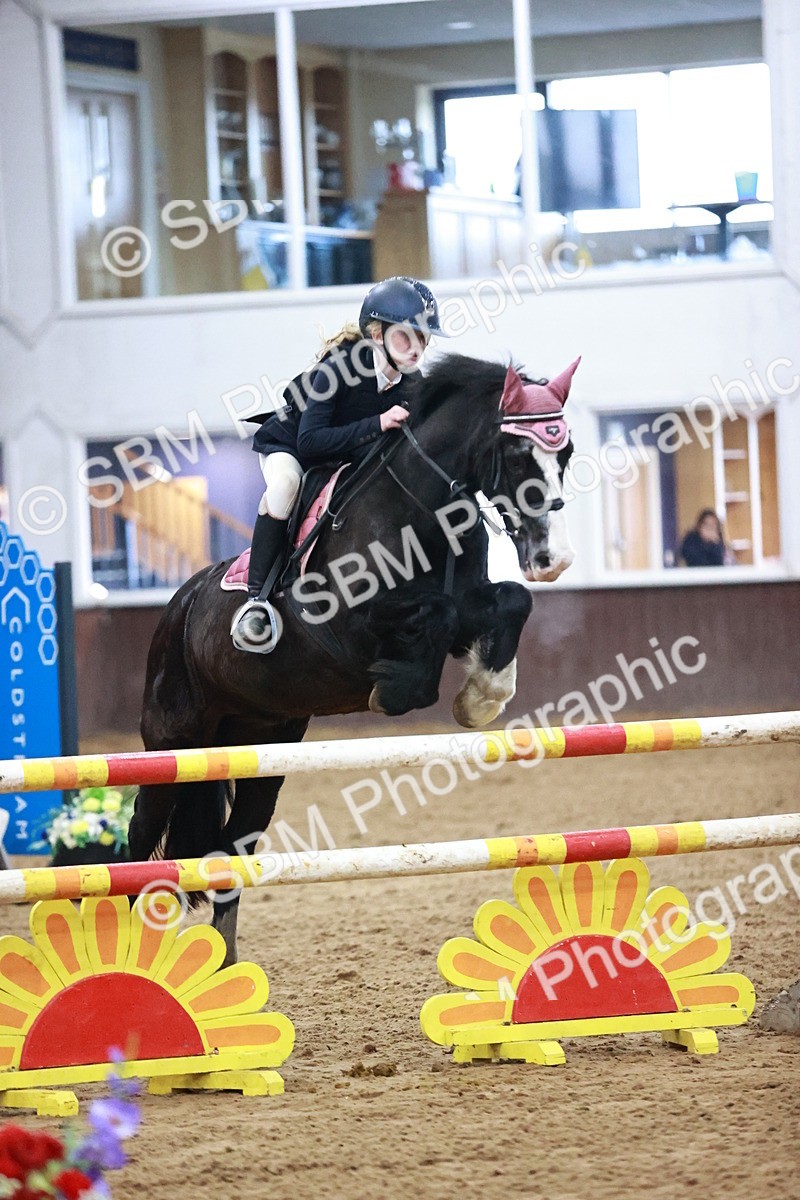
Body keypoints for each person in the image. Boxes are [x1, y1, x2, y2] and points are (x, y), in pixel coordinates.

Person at [231, 276, 450, 653]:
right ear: (377, 335)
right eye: (407, 336)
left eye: (424, 337)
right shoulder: (337, 370)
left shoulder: (414, 386)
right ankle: (257, 602)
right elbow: (310, 442)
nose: (418, 347)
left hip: (344, 456)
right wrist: (378, 423)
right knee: (285, 488)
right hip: (293, 447)